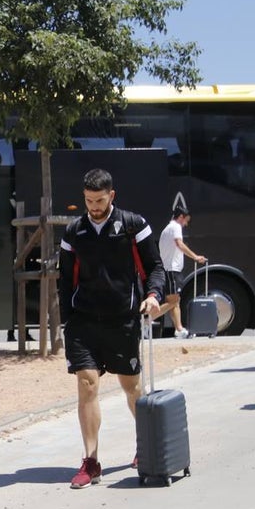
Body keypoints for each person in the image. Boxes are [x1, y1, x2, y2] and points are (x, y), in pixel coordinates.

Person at [58, 169, 165, 489]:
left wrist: (153, 295)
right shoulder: (74, 232)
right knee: (87, 384)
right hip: (83, 321)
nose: (94, 207)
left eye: (100, 201)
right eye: (89, 201)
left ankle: (145, 444)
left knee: (131, 386)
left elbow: (155, 267)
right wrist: (67, 321)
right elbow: (65, 281)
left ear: (112, 196)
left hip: (122, 318)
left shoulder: (134, 225)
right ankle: (91, 461)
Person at [153, 207, 206, 339]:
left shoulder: (168, 229)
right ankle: (147, 318)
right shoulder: (175, 227)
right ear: (181, 217)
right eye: (186, 220)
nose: (186, 224)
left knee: (174, 302)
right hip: (172, 270)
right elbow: (179, 244)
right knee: (174, 301)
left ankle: (179, 330)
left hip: (169, 269)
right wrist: (195, 257)